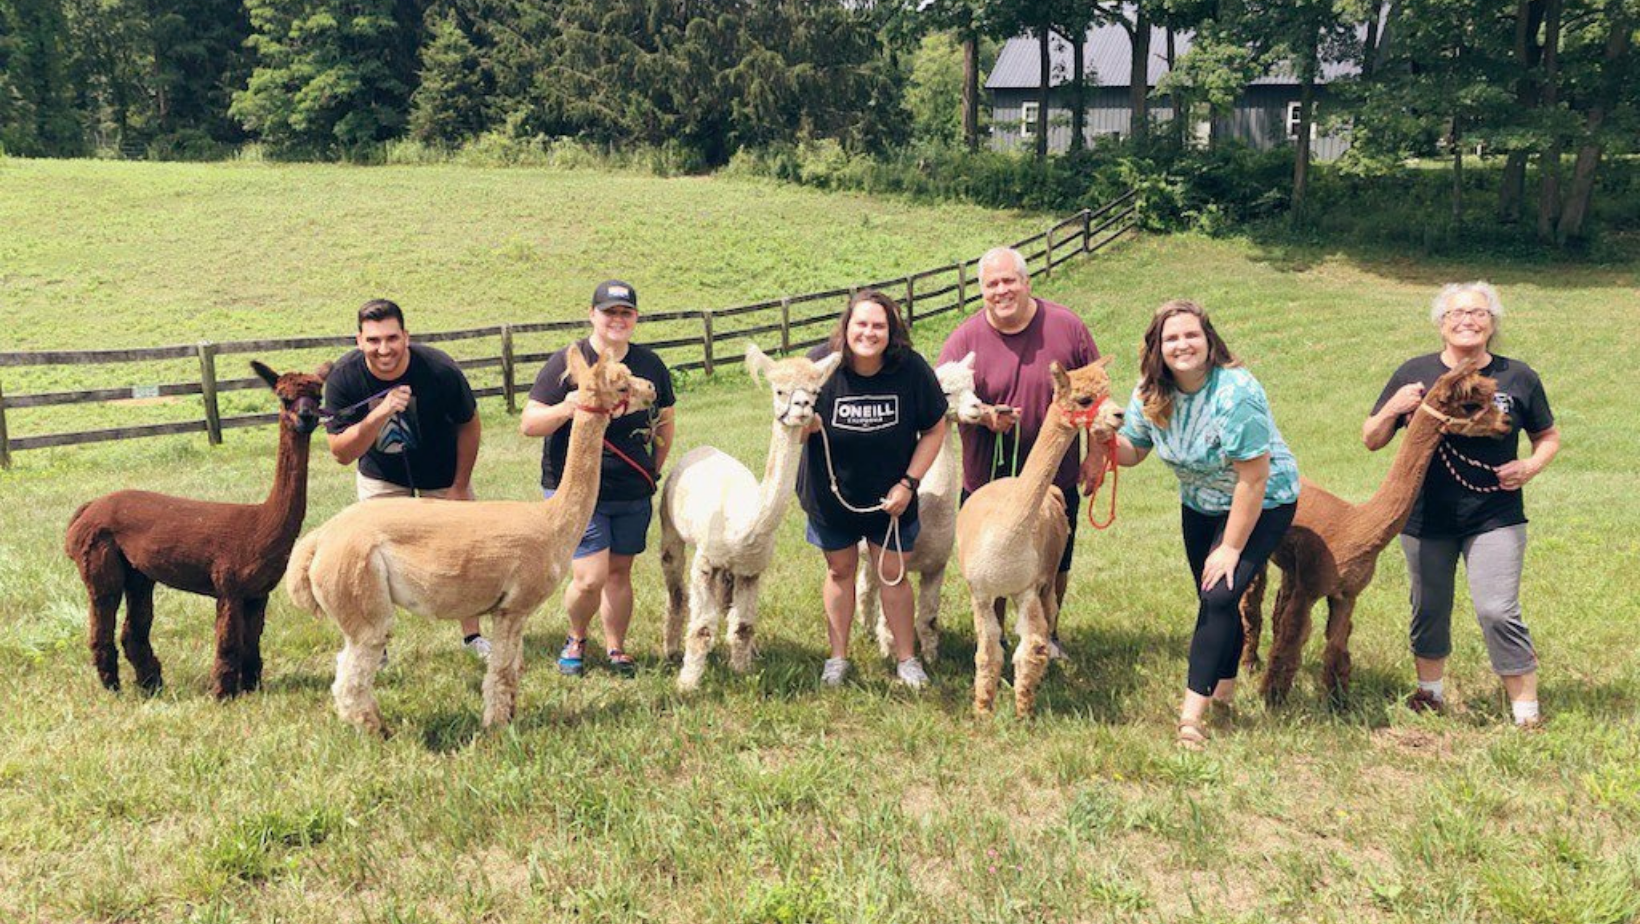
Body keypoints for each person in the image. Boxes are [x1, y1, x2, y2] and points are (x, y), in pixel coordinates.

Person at [1363, 282, 1559, 728]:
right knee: (1429, 605)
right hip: (1425, 514)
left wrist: (1529, 467)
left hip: (1495, 514)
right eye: (1457, 313)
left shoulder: (1518, 376)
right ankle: (1429, 695)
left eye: (1478, 312)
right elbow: (1372, 439)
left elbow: (1547, 436)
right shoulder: (1414, 372)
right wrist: (1393, 406)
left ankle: (1526, 713)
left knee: (1496, 609)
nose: (1467, 320)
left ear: (1493, 323)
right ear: (1441, 322)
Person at [1108, 300, 1300, 749]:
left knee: (1219, 592)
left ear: (1209, 340)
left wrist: (1231, 548)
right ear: (1157, 348)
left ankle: (1191, 718)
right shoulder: (1151, 393)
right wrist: (1101, 438)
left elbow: (1253, 478)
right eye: (1171, 338)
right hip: (1199, 502)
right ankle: (1225, 692)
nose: (1182, 345)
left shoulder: (1236, 393)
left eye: (1191, 335)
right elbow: (1133, 451)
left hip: (1263, 500)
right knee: (1217, 598)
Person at [938, 246, 1101, 658]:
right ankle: (993, 635)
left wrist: (1097, 454)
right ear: (981, 291)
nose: (1002, 290)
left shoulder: (1066, 327)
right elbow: (940, 402)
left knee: (1053, 560)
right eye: (992, 284)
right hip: (986, 477)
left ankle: (1049, 631)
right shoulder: (963, 339)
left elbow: (1095, 394)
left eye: (1009, 280)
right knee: (990, 559)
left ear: (1027, 282)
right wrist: (985, 416)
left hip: (1054, 477)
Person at [521, 280, 676, 678]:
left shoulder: (650, 365)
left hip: (630, 485)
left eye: (625, 313)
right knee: (590, 578)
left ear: (635, 318)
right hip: (575, 489)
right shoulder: (566, 364)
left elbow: (666, 420)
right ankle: (576, 636)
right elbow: (530, 423)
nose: (617, 320)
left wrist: (652, 469)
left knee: (620, 572)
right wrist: (568, 406)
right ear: (593, 315)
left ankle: (615, 647)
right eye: (609, 312)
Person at [323, 298, 489, 660]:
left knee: (464, 551)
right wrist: (379, 414)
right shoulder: (345, 377)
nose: (384, 349)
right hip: (381, 473)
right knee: (367, 557)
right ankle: (375, 644)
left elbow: (470, 425)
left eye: (392, 338)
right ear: (359, 341)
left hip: (442, 470)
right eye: (373, 340)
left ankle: (473, 636)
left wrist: (460, 486)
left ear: (406, 336)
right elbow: (340, 452)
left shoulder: (439, 369)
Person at [797, 290, 947, 688]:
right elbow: (786, 419)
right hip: (831, 492)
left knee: (893, 574)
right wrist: (803, 426)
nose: (869, 332)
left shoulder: (910, 369)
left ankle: (907, 659)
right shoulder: (818, 365)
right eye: (860, 324)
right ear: (846, 327)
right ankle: (837, 658)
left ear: (891, 331)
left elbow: (934, 429)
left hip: (891, 497)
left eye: (878, 325)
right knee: (840, 569)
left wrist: (909, 484)